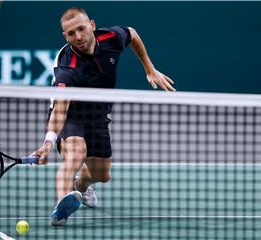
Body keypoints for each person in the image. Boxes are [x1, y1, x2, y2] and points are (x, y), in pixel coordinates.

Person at [30, 7, 176, 226]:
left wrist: (149, 68)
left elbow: (132, 34)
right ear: (65, 36)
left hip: (98, 115)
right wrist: (49, 142)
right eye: (71, 33)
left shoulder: (111, 38)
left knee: (103, 175)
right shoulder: (67, 67)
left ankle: (80, 186)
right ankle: (61, 207)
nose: (78, 37)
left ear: (92, 25)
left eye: (81, 29)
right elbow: (60, 109)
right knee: (76, 153)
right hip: (72, 115)